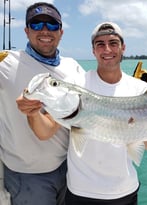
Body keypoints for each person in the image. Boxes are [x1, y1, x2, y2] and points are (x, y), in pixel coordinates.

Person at [26, 22, 147, 205]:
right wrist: (33, 112)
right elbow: (45, 132)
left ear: (123, 48)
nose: (107, 49)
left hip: (125, 192)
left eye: (113, 43)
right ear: (93, 51)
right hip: (80, 192)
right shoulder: (76, 84)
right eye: (100, 44)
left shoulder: (140, 89)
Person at [0, 2, 85, 205]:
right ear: (26, 31)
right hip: (26, 175)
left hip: (69, 169)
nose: (45, 30)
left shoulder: (72, 67)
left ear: (61, 32)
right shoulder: (5, 62)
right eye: (37, 25)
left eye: (52, 25)